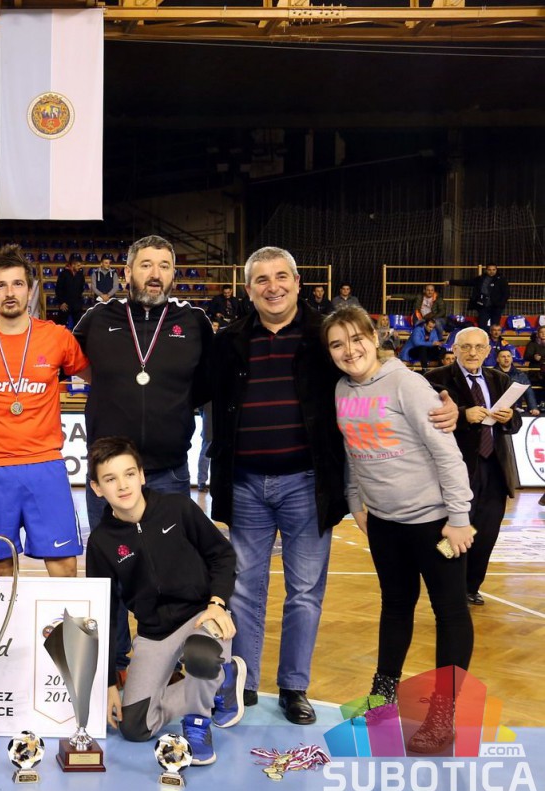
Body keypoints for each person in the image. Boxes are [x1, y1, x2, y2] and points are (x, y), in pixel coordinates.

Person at [208, 246, 457, 726]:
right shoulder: (229, 339)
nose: (273, 287)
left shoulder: (323, 334)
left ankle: (293, 687)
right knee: (243, 590)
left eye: (281, 276)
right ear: (248, 289)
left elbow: (371, 371)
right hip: (244, 484)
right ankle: (243, 683)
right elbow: (191, 390)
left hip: (307, 484)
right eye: (262, 280)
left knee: (305, 591)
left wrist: (449, 401)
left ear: (298, 282)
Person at [325, 306, 476, 754]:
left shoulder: (406, 384)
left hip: (434, 523)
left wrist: (459, 517)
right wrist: (356, 501)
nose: (349, 350)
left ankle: (443, 715)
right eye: (337, 344)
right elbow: (353, 449)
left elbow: (447, 453)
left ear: (374, 338)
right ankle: (382, 698)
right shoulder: (341, 389)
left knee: (450, 612)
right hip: (385, 523)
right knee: (395, 607)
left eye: (356, 339)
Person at [72, 234, 214, 679]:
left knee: (171, 571)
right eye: (146, 265)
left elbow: (207, 384)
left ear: (173, 274)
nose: (155, 274)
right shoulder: (97, 319)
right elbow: (70, 364)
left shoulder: (194, 322)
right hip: (110, 477)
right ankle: (114, 665)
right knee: (108, 574)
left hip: (169, 472)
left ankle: (166, 662)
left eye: (164, 266)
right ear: (127, 271)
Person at [88, 437, 242, 765]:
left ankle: (198, 722)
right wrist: (110, 682)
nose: (123, 485)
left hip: (202, 616)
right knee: (134, 727)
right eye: (110, 479)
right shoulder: (101, 542)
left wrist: (217, 603)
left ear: (142, 475)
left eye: (129, 474)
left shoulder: (178, 508)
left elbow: (222, 555)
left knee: (201, 654)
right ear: (97, 488)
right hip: (154, 632)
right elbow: (105, 612)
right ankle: (220, 679)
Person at [0, 244, 89, 577]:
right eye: (1, 285)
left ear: (30, 290)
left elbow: (96, 378)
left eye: (17, 284)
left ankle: (62, 618)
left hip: (45, 465)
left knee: (63, 564)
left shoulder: (57, 337)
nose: (9, 293)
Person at [427, 327, 522, 607]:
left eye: (479, 347)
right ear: (454, 349)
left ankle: (471, 587)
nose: (472, 352)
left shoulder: (500, 379)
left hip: (495, 468)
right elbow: (426, 420)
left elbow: (515, 425)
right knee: (453, 531)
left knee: (486, 533)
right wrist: (462, 416)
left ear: (488, 351)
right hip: (456, 469)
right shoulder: (435, 379)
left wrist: (509, 417)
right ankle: (447, 586)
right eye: (466, 347)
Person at [445, 265, 509, 332]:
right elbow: (466, 282)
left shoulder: (501, 280)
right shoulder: (481, 279)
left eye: (493, 270)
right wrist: (450, 282)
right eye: (489, 270)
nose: (491, 271)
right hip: (483, 306)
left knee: (495, 327)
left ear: (496, 270)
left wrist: (501, 304)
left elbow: (506, 293)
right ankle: (483, 338)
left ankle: (494, 339)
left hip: (496, 307)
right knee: (482, 326)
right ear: (486, 270)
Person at [494, 348, 539, 416]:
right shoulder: (491, 374)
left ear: (512, 359)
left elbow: (528, 392)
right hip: (496, 411)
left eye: (508, 356)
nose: (506, 358)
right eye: (503, 356)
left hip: (516, 410)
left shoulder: (520, 375)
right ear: (497, 359)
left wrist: (533, 408)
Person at [54, 254, 86, 329]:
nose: (80, 267)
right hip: (65, 304)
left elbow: (81, 288)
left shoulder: (80, 275)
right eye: (78, 265)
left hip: (77, 304)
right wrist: (61, 302)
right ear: (72, 265)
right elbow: (58, 289)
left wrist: (79, 302)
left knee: (78, 326)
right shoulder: (63, 274)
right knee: (61, 326)